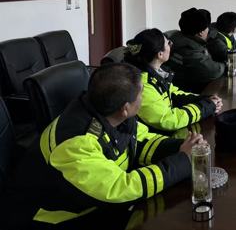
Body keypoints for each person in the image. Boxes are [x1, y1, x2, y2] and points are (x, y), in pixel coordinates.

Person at [5, 63, 202, 229]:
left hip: (91, 199)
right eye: (141, 94)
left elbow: (141, 141)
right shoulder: (76, 144)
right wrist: (182, 161)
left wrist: (182, 147)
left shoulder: (106, 111)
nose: (143, 98)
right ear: (125, 108)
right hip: (58, 218)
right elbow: (121, 188)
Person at [125, 28, 223, 135]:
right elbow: (168, 120)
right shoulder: (143, 84)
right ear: (160, 54)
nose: (171, 45)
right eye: (168, 43)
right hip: (157, 138)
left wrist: (205, 100)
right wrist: (204, 108)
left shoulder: (157, 73)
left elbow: (174, 94)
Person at [166, 8, 226, 93]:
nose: (209, 30)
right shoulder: (188, 48)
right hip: (187, 92)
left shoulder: (179, 38)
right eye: (207, 28)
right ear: (201, 32)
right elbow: (213, 71)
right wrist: (225, 65)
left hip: (187, 87)